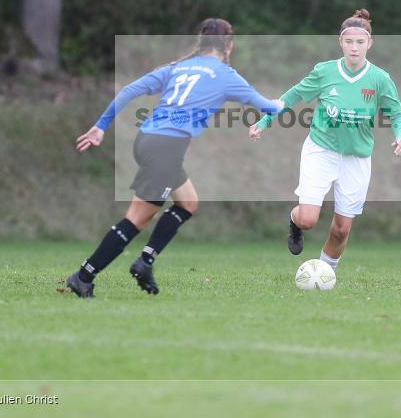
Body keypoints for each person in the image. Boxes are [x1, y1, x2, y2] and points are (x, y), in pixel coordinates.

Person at [65, 18, 283, 298]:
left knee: (188, 202)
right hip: (167, 148)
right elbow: (268, 107)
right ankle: (83, 276)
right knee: (136, 220)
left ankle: (145, 262)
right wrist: (280, 103)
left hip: (147, 141)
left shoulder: (177, 68)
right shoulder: (226, 75)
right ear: (229, 44)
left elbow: (130, 90)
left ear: (201, 42)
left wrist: (101, 126)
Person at [248, 9, 401, 272]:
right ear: (340, 43)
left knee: (341, 231)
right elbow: (292, 96)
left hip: (357, 158)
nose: (354, 48)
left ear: (369, 43)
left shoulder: (380, 79)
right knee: (308, 219)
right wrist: (264, 121)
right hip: (321, 151)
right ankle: (294, 220)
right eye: (349, 42)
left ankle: (324, 273)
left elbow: (396, 113)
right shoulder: (325, 72)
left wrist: (400, 136)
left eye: (360, 42)